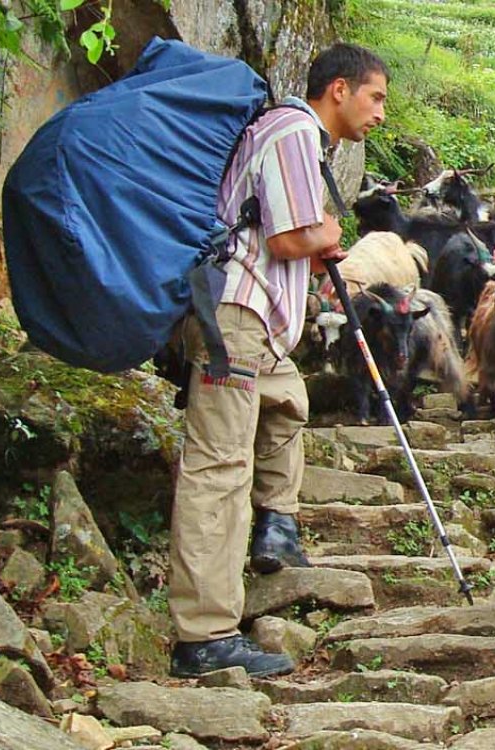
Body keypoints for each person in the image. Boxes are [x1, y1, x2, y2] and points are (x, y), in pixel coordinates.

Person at [167, 43, 389, 678]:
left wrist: (316, 246)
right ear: (340, 89)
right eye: (375, 98)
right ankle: (203, 634)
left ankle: (276, 528)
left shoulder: (303, 140)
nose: (380, 114)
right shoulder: (293, 129)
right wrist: (328, 233)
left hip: (260, 325)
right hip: (236, 318)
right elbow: (288, 237)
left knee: (288, 402)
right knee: (219, 465)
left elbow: (285, 241)